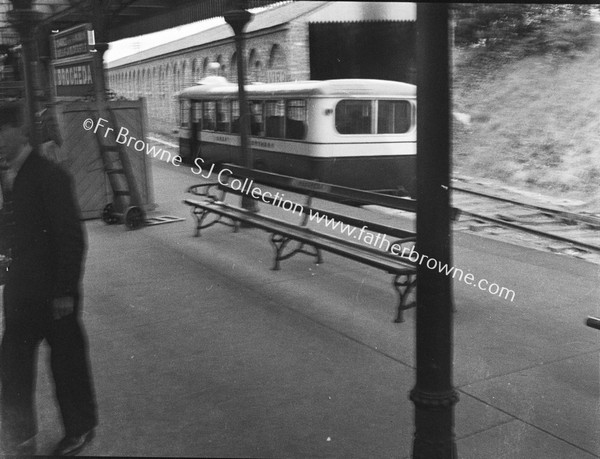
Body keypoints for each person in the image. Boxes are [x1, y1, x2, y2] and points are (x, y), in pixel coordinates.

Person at [0, 101, 97, 456]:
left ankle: (81, 428)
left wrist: (65, 291)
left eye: (0, 132)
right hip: (22, 291)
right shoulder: (9, 174)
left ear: (18, 132)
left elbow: (71, 237)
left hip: (54, 292)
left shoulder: (49, 175)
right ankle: (20, 436)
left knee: (67, 365)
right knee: (12, 366)